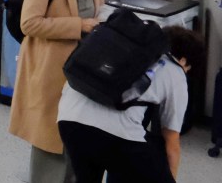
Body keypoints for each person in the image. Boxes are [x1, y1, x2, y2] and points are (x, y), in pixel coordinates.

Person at [9, 0, 109, 183]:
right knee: (51, 140)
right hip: (50, 70)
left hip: (82, 72)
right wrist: (78, 26)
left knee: (76, 137)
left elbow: (98, 7)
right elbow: (30, 24)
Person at [58, 26, 205, 183]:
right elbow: (171, 141)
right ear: (183, 60)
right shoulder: (175, 71)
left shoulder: (129, 49)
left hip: (69, 119)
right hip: (113, 133)